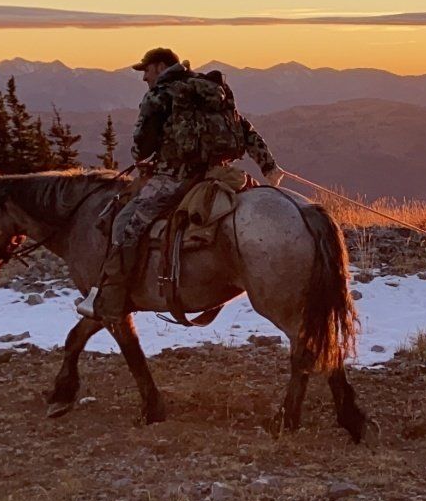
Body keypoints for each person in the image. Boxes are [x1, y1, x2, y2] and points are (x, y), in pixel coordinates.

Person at [76, 47, 284, 320]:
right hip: (217, 172)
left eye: (146, 70)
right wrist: (268, 165)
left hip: (175, 177)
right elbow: (243, 126)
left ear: (161, 67)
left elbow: (142, 141)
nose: (144, 78)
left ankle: (111, 298)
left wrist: (141, 160)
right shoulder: (209, 89)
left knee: (126, 223)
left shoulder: (161, 94)